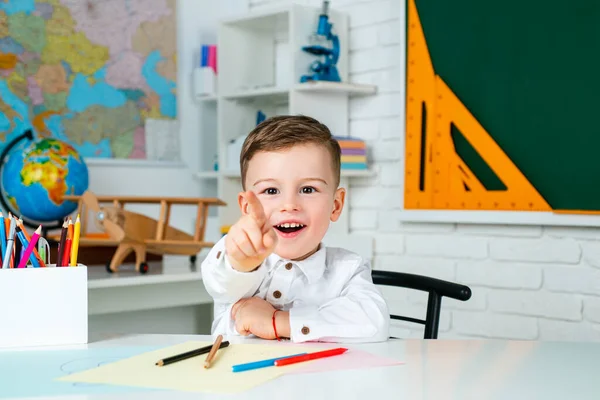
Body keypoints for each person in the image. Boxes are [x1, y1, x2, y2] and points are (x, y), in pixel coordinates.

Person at [201, 115, 390, 343]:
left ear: (336, 205)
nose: (289, 205)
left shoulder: (347, 269)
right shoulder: (233, 253)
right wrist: (243, 264)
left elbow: (373, 321)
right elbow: (220, 280)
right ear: (246, 207)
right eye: (271, 191)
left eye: (308, 189)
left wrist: (278, 321)